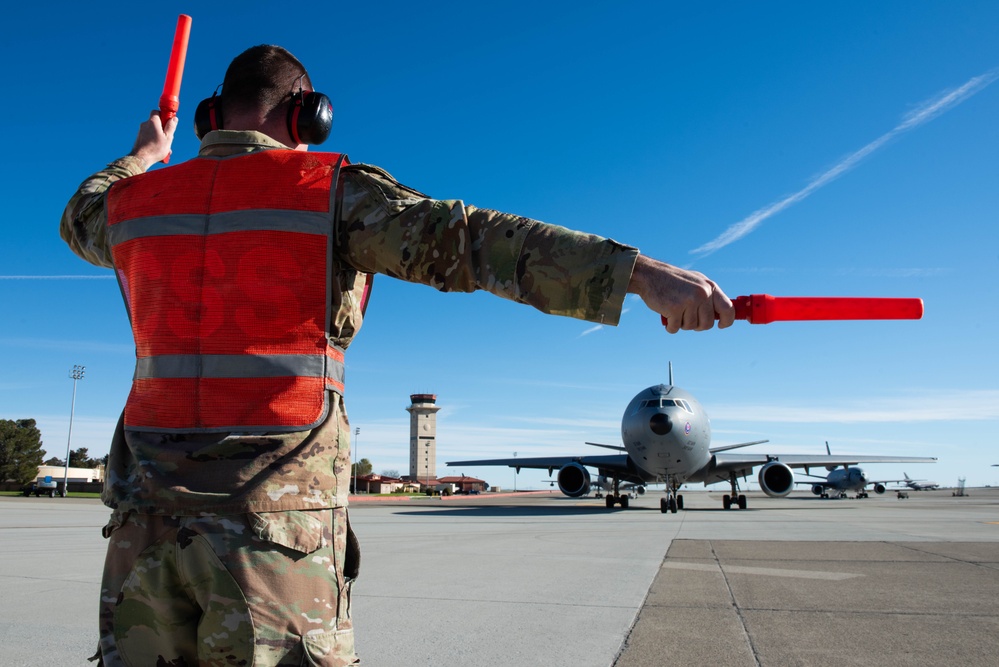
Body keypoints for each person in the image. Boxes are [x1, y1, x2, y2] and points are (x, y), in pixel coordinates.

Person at [61, 44, 734, 667]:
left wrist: (142, 156)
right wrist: (638, 274)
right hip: (269, 530)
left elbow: (78, 214)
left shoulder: (130, 205)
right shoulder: (327, 192)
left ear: (211, 114)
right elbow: (476, 242)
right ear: (307, 116)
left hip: (142, 531)